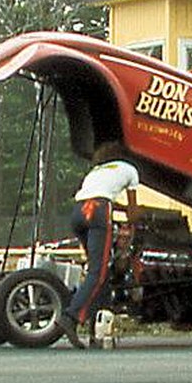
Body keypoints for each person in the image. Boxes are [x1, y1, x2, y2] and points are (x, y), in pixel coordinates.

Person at [56, 140, 139, 349]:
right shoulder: (130, 169)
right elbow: (133, 212)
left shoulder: (96, 171)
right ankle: (70, 317)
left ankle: (96, 332)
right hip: (99, 212)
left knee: (101, 273)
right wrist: (138, 218)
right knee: (98, 273)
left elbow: (95, 196)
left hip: (79, 212)